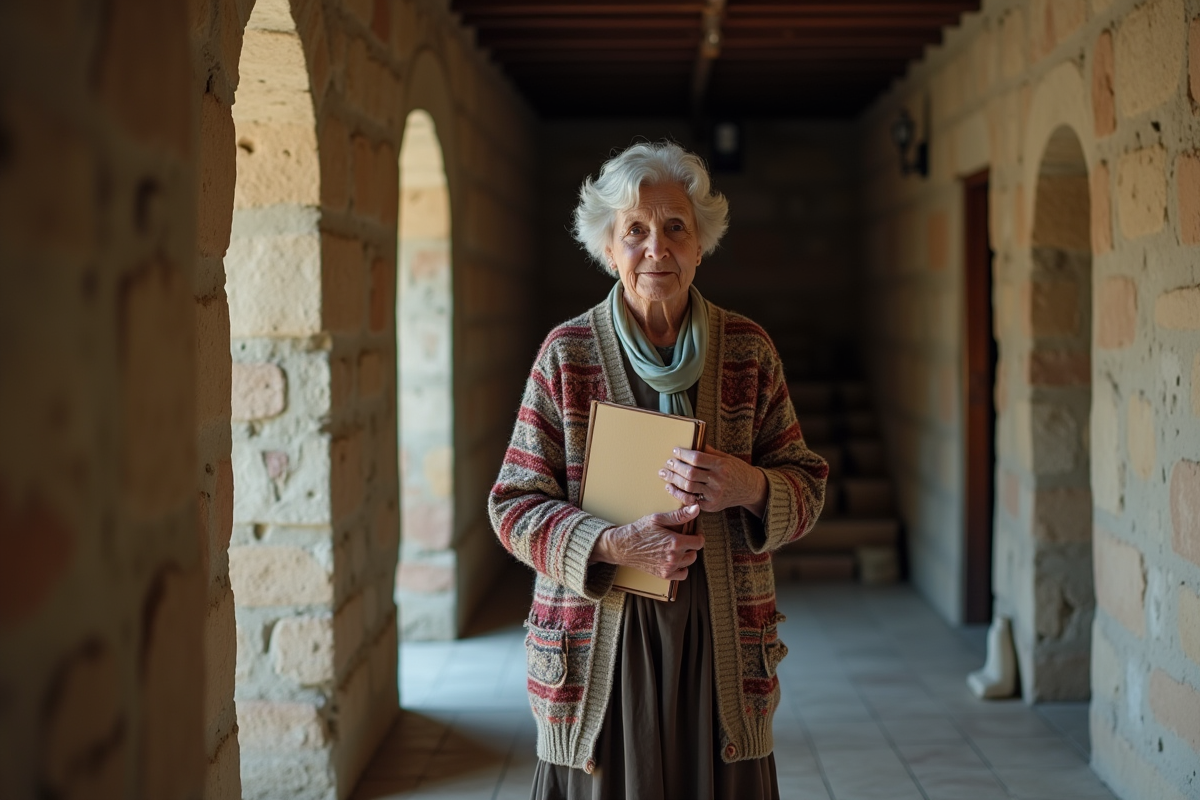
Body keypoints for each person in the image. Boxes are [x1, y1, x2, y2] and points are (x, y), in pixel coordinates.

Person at [488, 141, 828, 800]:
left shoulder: (749, 351)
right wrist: (610, 543)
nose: (657, 247)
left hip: (720, 644)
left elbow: (807, 484)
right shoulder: (569, 354)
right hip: (599, 651)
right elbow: (514, 505)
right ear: (609, 249)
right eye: (635, 231)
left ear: (701, 245)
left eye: (676, 227)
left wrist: (750, 485)